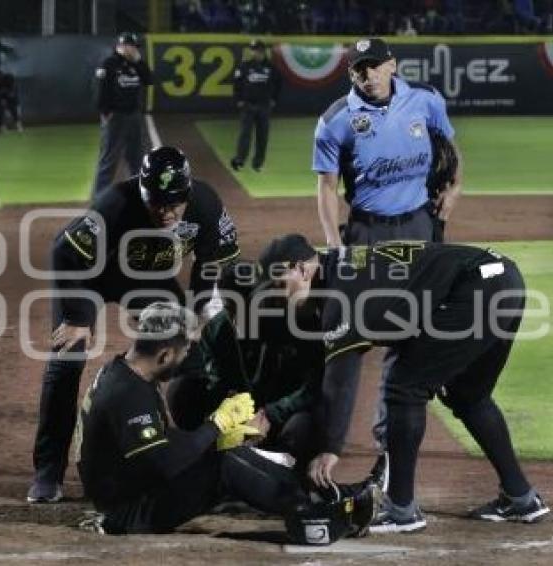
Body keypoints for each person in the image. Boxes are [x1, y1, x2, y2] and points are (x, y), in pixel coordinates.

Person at [256, 234, 550, 533]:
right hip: (502, 279)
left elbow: (340, 383)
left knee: (404, 388)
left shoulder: (340, 297)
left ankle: (401, 509)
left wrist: (331, 447)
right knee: (468, 397)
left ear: (303, 269)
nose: (279, 296)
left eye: (280, 284)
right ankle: (521, 498)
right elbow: (328, 370)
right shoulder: (338, 274)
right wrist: (276, 414)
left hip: (476, 290)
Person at [27, 146, 241, 504]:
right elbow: (63, 251)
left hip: (146, 280)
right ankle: (48, 472)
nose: (165, 211)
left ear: (188, 194)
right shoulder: (116, 203)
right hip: (89, 278)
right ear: (142, 190)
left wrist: (199, 313)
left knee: (192, 358)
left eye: (174, 203)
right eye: (156, 201)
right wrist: (78, 319)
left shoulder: (205, 204)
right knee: (66, 361)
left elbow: (211, 262)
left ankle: (199, 458)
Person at [75, 302, 377, 539]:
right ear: (165, 355)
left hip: (132, 487)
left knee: (225, 453)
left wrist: (216, 437)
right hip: (130, 512)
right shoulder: (129, 394)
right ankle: (315, 509)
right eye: (186, 349)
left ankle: (332, 495)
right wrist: (214, 426)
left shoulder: (127, 372)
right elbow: (164, 463)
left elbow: (160, 447)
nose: (190, 355)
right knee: (223, 465)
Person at [313, 37, 463, 487]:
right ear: (351, 73)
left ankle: (389, 452)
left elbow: (451, 154)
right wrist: (333, 246)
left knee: (410, 341)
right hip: (367, 232)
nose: (368, 75)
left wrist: (454, 190)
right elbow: (326, 187)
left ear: (392, 65)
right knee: (349, 340)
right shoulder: (335, 120)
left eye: (375, 66)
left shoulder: (426, 101)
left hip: (419, 229)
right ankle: (325, 444)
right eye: (360, 68)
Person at [167, 261, 324, 467]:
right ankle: (206, 456)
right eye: (229, 308)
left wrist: (270, 414)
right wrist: (229, 415)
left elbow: (313, 386)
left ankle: (285, 473)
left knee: (303, 425)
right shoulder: (217, 329)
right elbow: (215, 380)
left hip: (279, 416)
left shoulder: (299, 325)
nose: (234, 318)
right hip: (238, 416)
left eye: (244, 308)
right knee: (181, 389)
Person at [92, 32, 152, 196]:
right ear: (122, 46)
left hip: (133, 115)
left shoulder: (136, 64)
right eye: (131, 46)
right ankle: (100, 197)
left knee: (136, 156)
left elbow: (149, 79)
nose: (134, 50)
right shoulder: (108, 63)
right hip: (115, 116)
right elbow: (100, 90)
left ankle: (139, 195)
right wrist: (105, 111)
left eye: (135, 47)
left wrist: (139, 61)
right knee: (109, 157)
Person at [229, 39, 282, 173]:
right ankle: (240, 160)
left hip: (264, 106)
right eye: (253, 50)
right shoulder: (245, 66)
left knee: (262, 136)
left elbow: (278, 84)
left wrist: (274, 99)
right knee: (245, 135)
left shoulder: (271, 68)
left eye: (257, 50)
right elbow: (237, 84)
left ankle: (258, 163)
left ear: (263, 51)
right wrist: (238, 100)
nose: (255, 52)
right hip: (248, 105)